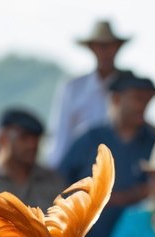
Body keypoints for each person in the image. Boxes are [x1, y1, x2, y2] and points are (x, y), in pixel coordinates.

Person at [59, 71, 155, 237]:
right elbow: (60, 187)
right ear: (116, 98)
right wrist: (130, 195)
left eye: (147, 100)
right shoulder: (89, 138)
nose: (143, 106)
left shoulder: (154, 143)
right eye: (138, 99)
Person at [45, 20, 130, 166]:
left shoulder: (130, 86)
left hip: (120, 163)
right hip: (82, 164)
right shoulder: (73, 88)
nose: (106, 51)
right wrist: (56, 172)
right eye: (101, 46)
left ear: (117, 48)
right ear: (92, 48)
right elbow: (61, 134)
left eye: (110, 46)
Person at [0, 108, 68, 209]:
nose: (32, 145)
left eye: (36, 138)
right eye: (24, 138)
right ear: (3, 139)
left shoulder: (52, 180)